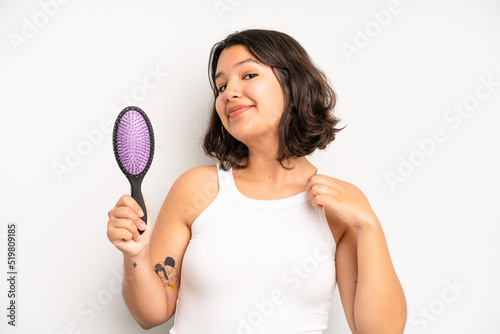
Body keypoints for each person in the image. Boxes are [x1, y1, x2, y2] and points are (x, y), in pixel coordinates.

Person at [107, 29, 406, 333]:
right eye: (221, 86)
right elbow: (151, 314)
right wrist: (136, 255)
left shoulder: (338, 202)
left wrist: (370, 226)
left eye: (248, 75)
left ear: (293, 86)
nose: (229, 93)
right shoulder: (196, 189)